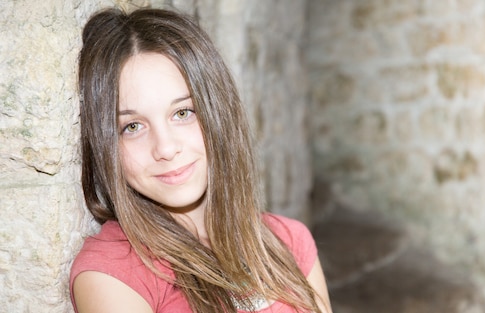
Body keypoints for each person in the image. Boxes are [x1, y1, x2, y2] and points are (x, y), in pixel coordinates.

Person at [70, 7, 332, 313]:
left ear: (217, 112)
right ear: (105, 146)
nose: (165, 148)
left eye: (182, 113)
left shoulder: (289, 241)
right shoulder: (110, 277)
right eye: (132, 127)